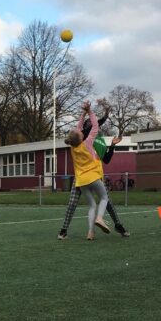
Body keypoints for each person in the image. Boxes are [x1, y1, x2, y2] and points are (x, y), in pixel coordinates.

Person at [58, 126, 129, 240]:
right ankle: (64, 230)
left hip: (95, 175)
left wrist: (112, 145)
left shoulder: (98, 143)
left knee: (106, 203)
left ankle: (117, 225)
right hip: (82, 176)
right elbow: (91, 126)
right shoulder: (85, 141)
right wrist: (97, 117)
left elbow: (106, 159)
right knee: (73, 203)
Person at [64, 102, 111, 241]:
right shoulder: (88, 142)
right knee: (104, 198)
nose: (80, 130)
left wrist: (83, 113)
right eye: (79, 132)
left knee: (92, 206)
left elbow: (78, 128)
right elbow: (95, 125)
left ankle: (90, 233)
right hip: (93, 176)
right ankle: (100, 218)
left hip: (81, 181)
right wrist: (89, 111)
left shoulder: (73, 147)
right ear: (80, 137)